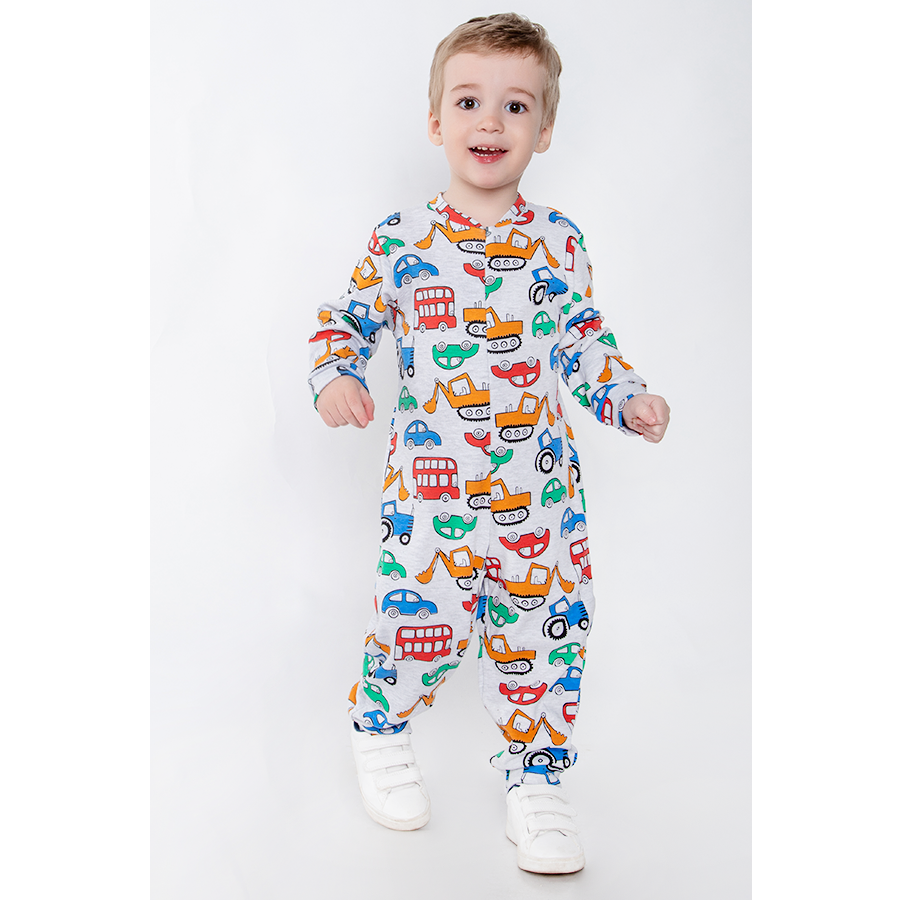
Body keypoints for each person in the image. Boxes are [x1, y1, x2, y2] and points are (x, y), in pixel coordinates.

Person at [308, 13, 670, 875]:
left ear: (544, 131)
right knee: (419, 620)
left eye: (516, 105)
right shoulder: (401, 238)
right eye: (469, 101)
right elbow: (346, 322)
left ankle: (535, 778)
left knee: (544, 634)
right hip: (429, 495)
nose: (491, 122)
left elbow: (583, 343)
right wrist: (336, 377)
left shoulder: (559, 242)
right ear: (436, 121)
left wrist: (626, 397)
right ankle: (379, 727)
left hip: (539, 499)